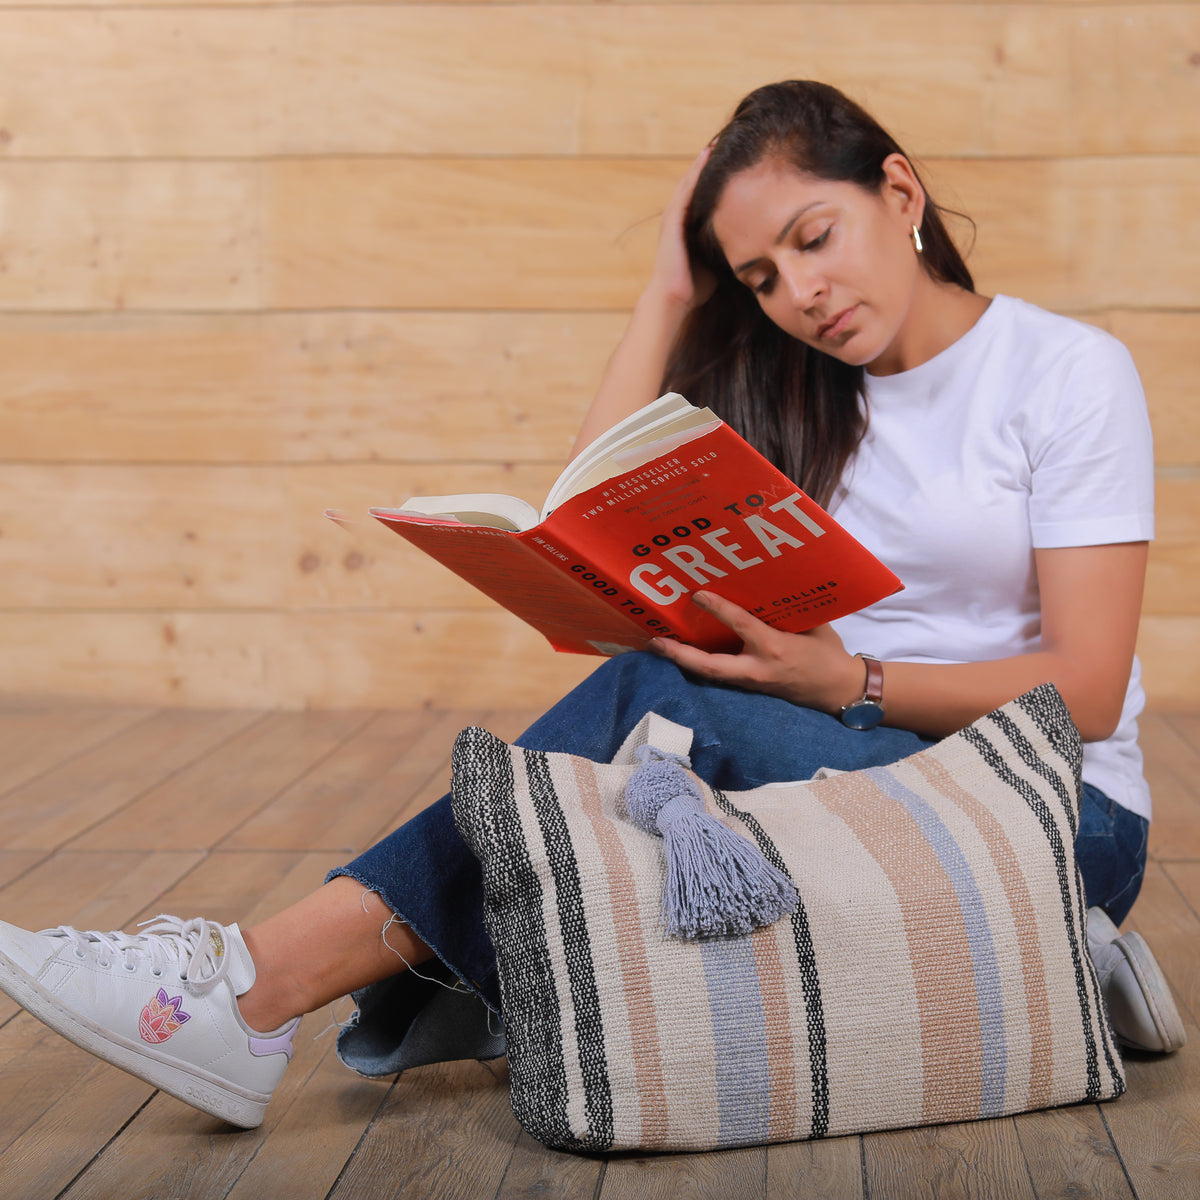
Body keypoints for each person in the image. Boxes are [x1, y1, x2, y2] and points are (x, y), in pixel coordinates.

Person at [0, 81, 1185, 1131]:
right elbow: (591, 513)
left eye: (815, 238)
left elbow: (1083, 691)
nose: (802, 294)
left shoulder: (1064, 373)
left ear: (900, 191)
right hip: (853, 776)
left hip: (1050, 808)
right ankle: (1035, 961)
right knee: (648, 769)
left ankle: (246, 991)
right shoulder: (808, 394)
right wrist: (667, 291)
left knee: (648, 711)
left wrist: (850, 685)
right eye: (762, 277)